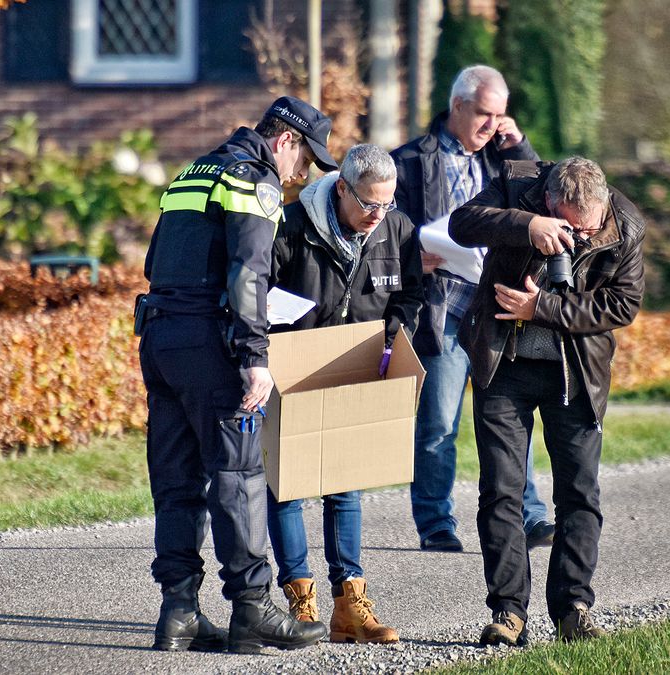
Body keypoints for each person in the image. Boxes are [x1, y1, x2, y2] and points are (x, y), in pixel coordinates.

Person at [137, 96, 338, 654]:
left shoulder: (193, 171)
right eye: (305, 160)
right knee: (239, 477)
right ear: (285, 141)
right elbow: (248, 272)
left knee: (177, 483)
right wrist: (254, 358)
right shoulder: (255, 181)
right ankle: (252, 611)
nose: (302, 175)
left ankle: (178, 612)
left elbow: (157, 263)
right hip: (210, 346)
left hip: (160, 336)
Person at [448, 157, 645, 645]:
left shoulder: (625, 224)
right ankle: (508, 613)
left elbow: (622, 304)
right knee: (501, 491)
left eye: (592, 226)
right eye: (572, 228)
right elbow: (461, 224)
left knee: (579, 492)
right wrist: (527, 226)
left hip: (574, 371)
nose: (583, 237)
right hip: (504, 362)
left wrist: (543, 307)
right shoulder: (518, 187)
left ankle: (573, 608)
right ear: (552, 202)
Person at [391, 65, 554, 553]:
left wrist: (518, 142)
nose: (492, 126)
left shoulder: (502, 158)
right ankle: (436, 525)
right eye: (485, 114)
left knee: (510, 414)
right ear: (457, 105)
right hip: (441, 309)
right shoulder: (411, 162)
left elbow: (544, 191)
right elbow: (382, 224)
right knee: (439, 422)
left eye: (501, 116)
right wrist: (407, 256)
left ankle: (530, 515)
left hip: (496, 308)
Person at [267, 144, 422, 644]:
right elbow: (257, 291)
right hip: (292, 369)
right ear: (341, 189)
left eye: (387, 204)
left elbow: (410, 294)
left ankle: (349, 605)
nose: (377, 217)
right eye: (368, 205)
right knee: (287, 486)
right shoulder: (290, 226)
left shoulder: (397, 230)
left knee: (345, 486)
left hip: (357, 366)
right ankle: (300, 601)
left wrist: (392, 336)